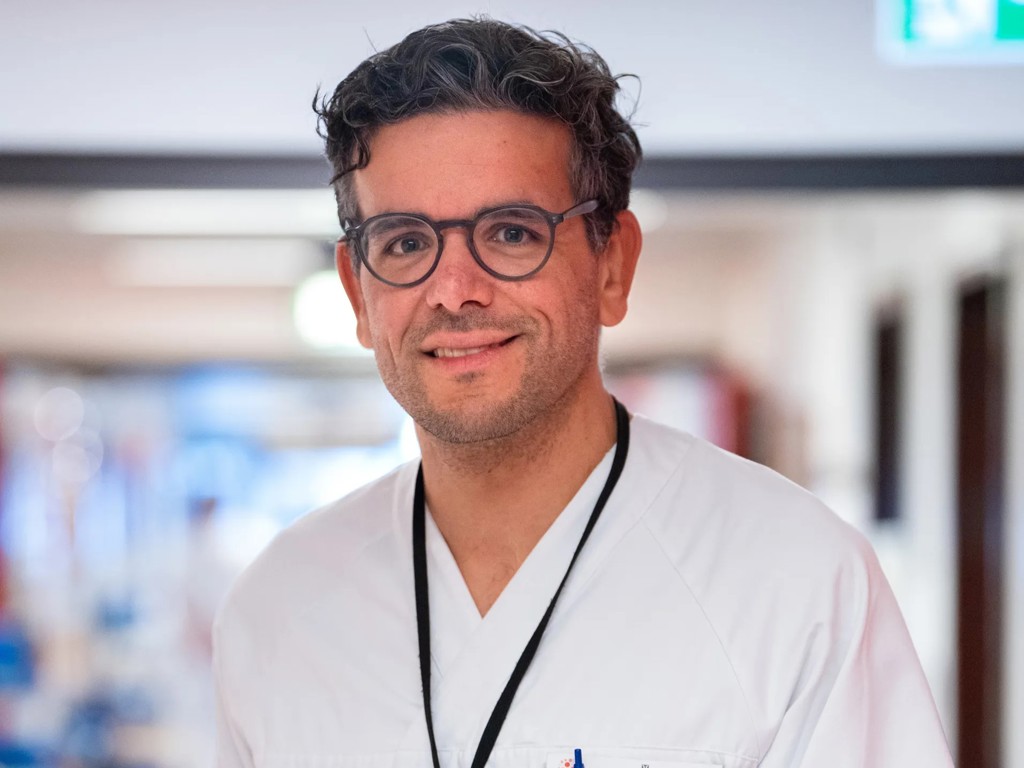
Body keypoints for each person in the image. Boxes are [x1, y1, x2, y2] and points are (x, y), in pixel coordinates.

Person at [213, 18, 954, 768]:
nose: (455, 290)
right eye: (405, 242)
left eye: (511, 232)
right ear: (357, 291)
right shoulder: (279, 612)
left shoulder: (795, 583)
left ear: (612, 266)